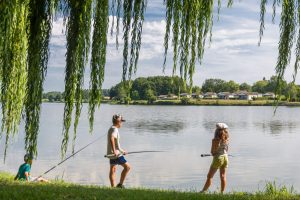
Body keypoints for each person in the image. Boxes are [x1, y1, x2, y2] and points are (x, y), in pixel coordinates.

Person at [201, 123, 229, 193]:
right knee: (223, 176)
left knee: (209, 176)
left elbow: (213, 152)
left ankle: (203, 191)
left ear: (216, 131)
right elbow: (226, 150)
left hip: (218, 159)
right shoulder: (227, 138)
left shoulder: (215, 140)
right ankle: (222, 193)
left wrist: (213, 153)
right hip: (225, 157)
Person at [107, 114, 131, 188]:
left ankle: (113, 187)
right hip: (116, 153)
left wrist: (122, 151)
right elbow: (111, 138)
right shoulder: (114, 129)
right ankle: (120, 184)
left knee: (113, 169)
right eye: (121, 121)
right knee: (127, 167)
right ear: (118, 121)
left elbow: (116, 142)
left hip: (113, 153)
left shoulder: (111, 128)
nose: (121, 123)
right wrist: (115, 151)